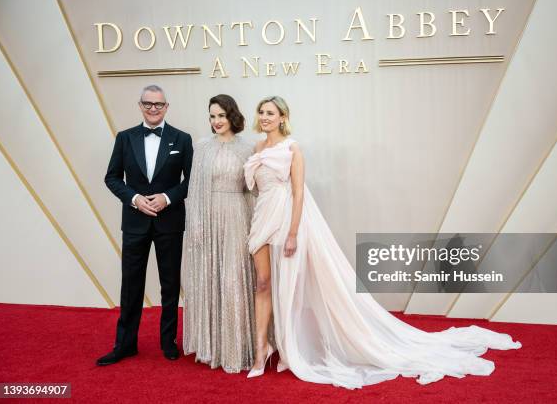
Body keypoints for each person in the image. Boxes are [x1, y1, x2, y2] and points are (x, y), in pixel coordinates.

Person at [244, 96, 521, 386]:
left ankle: (291, 350)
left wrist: (292, 233)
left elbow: (299, 192)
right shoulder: (257, 148)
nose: (264, 117)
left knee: (289, 287)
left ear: (282, 117)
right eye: (261, 112)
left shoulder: (293, 148)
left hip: (287, 218)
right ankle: (263, 348)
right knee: (264, 284)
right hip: (262, 216)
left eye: (270, 113)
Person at [98, 85, 193, 365]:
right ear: (140, 105)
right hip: (135, 222)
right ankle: (125, 345)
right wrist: (135, 199)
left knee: (170, 285)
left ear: (167, 106)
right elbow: (112, 177)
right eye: (148, 104)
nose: (153, 109)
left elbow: (190, 181)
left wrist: (166, 197)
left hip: (170, 223)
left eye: (159, 104)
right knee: (130, 286)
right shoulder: (125, 138)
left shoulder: (182, 139)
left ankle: (168, 343)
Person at [182, 94, 256, 373]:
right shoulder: (202, 147)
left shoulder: (248, 148)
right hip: (208, 218)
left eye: (221, 116)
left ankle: (237, 348)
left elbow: (253, 190)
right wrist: (197, 224)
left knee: (233, 279)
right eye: (212, 116)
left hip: (237, 217)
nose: (216, 122)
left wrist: (256, 225)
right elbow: (195, 189)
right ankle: (211, 346)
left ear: (232, 116)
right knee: (211, 277)